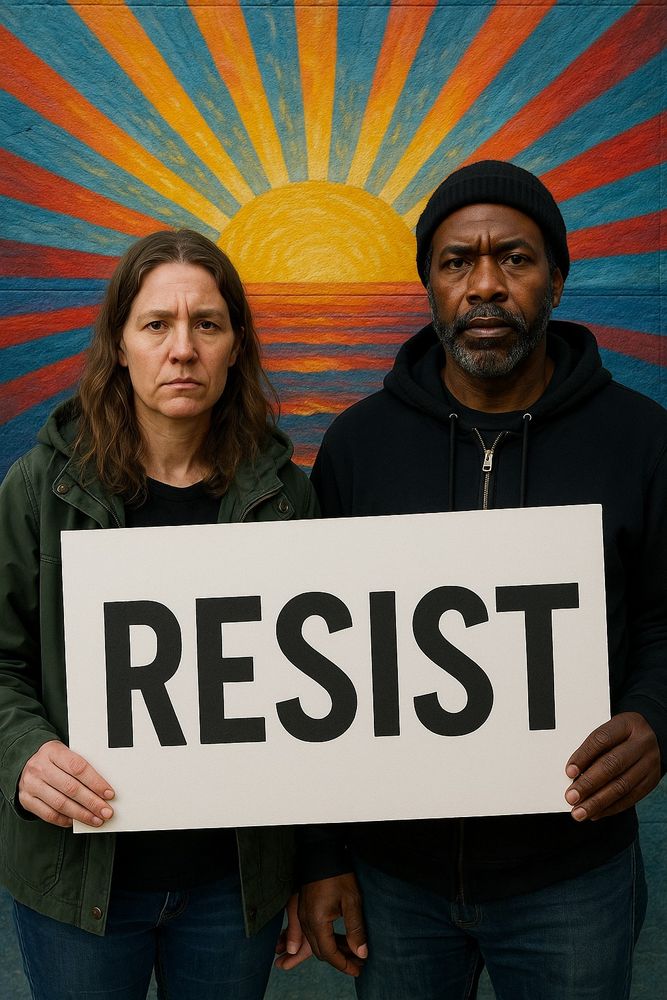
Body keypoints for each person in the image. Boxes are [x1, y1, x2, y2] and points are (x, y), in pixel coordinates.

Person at [297, 160, 667, 999]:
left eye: (515, 258)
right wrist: (320, 855)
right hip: (393, 877)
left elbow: (661, 618)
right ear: (429, 285)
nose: (486, 284)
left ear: (556, 281)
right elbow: (315, 660)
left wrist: (655, 718)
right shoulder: (358, 446)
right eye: (457, 261)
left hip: (572, 871)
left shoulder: (641, 440)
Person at [0, 229, 316, 999]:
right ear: (119, 344)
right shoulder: (42, 488)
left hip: (231, 883)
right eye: (156, 324)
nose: (182, 350)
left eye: (206, 324)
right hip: (80, 876)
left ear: (235, 346)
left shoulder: (286, 497)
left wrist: (309, 866)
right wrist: (23, 753)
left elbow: (321, 698)